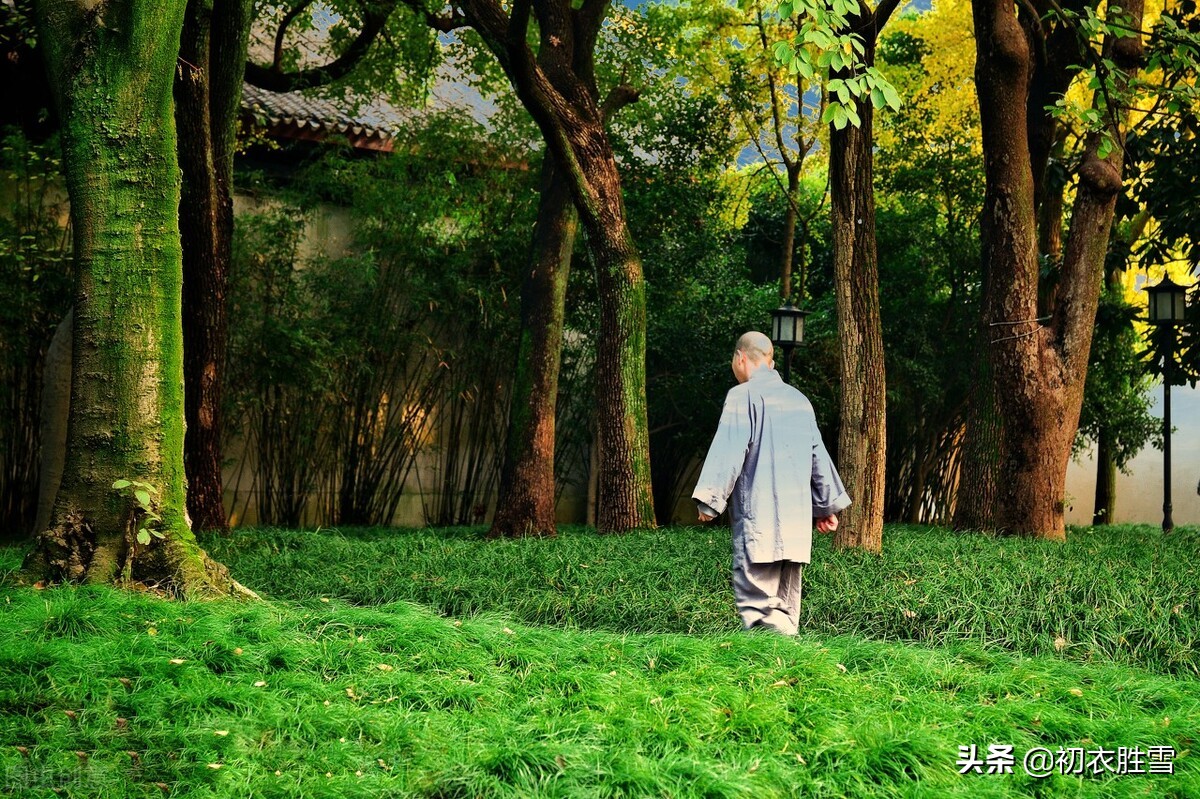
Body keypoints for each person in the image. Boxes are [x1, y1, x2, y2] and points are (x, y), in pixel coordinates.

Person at [693, 331, 850, 635]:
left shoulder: (742, 396)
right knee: (787, 607)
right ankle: (789, 669)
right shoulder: (799, 401)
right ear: (771, 361)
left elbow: (729, 449)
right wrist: (826, 507)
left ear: (740, 358)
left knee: (758, 606)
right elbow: (817, 454)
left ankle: (766, 670)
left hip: (760, 522)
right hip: (795, 526)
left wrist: (710, 502)